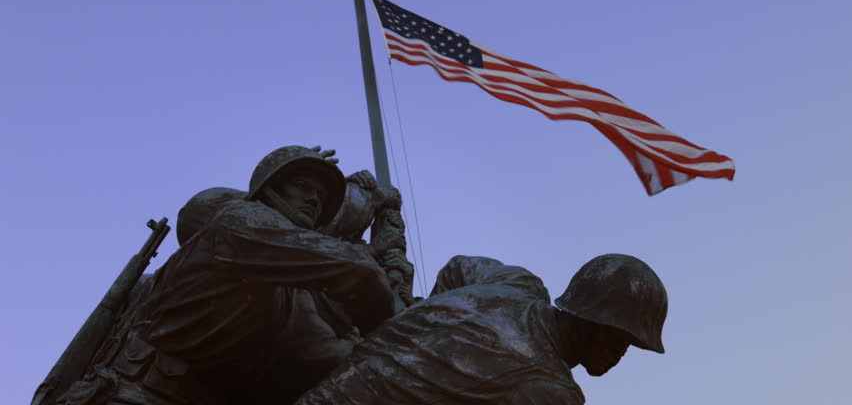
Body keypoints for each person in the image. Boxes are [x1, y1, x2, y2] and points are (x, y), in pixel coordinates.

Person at [58, 145, 411, 405]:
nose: (314, 199)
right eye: (303, 186)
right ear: (270, 188)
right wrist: (400, 328)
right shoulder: (241, 220)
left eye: (320, 195)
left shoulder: (285, 289)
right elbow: (357, 271)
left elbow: (321, 351)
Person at [296, 253, 668, 404]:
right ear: (590, 322)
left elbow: (458, 268)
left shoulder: (517, 283)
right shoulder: (552, 392)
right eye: (620, 339)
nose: (621, 354)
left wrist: (424, 322)